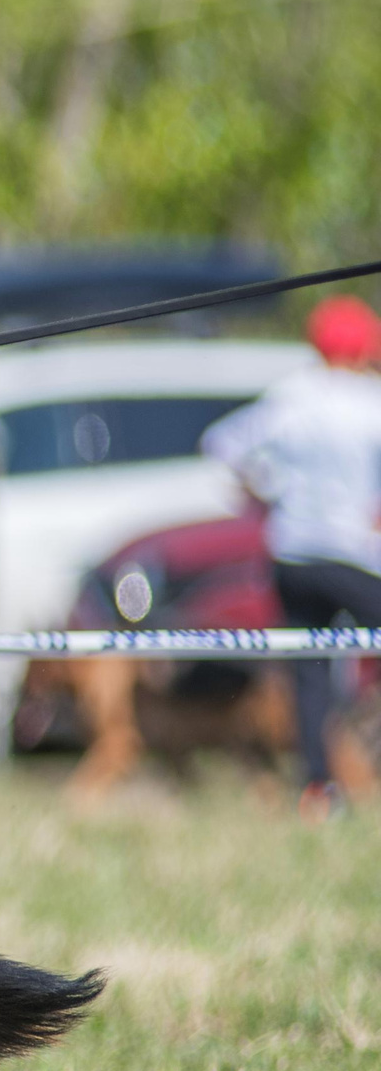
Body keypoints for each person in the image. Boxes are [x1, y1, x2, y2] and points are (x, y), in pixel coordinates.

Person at [202, 294, 381, 819]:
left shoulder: (289, 395)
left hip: (293, 554)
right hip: (351, 554)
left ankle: (317, 792)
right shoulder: (369, 400)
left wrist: (264, 493)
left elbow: (220, 443)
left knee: (310, 671)